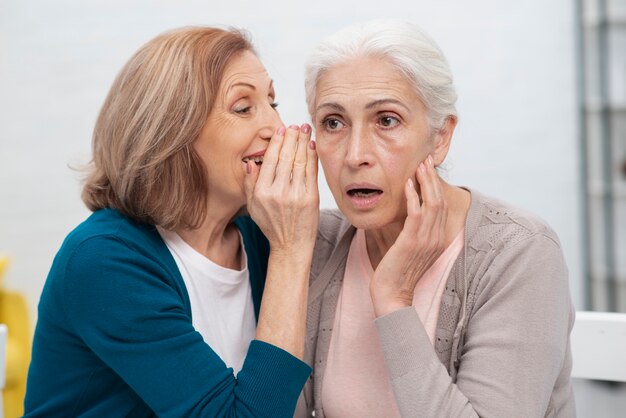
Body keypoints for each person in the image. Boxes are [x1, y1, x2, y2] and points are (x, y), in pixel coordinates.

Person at [24, 26, 319, 417]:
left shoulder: (258, 236)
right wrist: (291, 249)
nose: (275, 128)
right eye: (243, 108)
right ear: (171, 131)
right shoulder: (103, 262)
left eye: (273, 102)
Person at [296, 20, 575, 417]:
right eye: (334, 123)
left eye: (386, 120)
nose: (355, 154)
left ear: (440, 137)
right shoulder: (316, 243)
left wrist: (394, 300)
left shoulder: (519, 253)